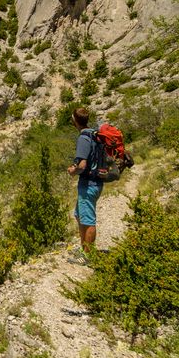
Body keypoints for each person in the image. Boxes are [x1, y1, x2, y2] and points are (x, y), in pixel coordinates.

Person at [67, 107, 102, 265]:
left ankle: (88, 255)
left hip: (88, 183)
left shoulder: (83, 137)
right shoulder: (94, 133)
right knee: (79, 215)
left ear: (75, 120)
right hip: (94, 182)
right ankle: (84, 248)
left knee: (87, 220)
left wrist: (73, 171)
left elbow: (82, 164)